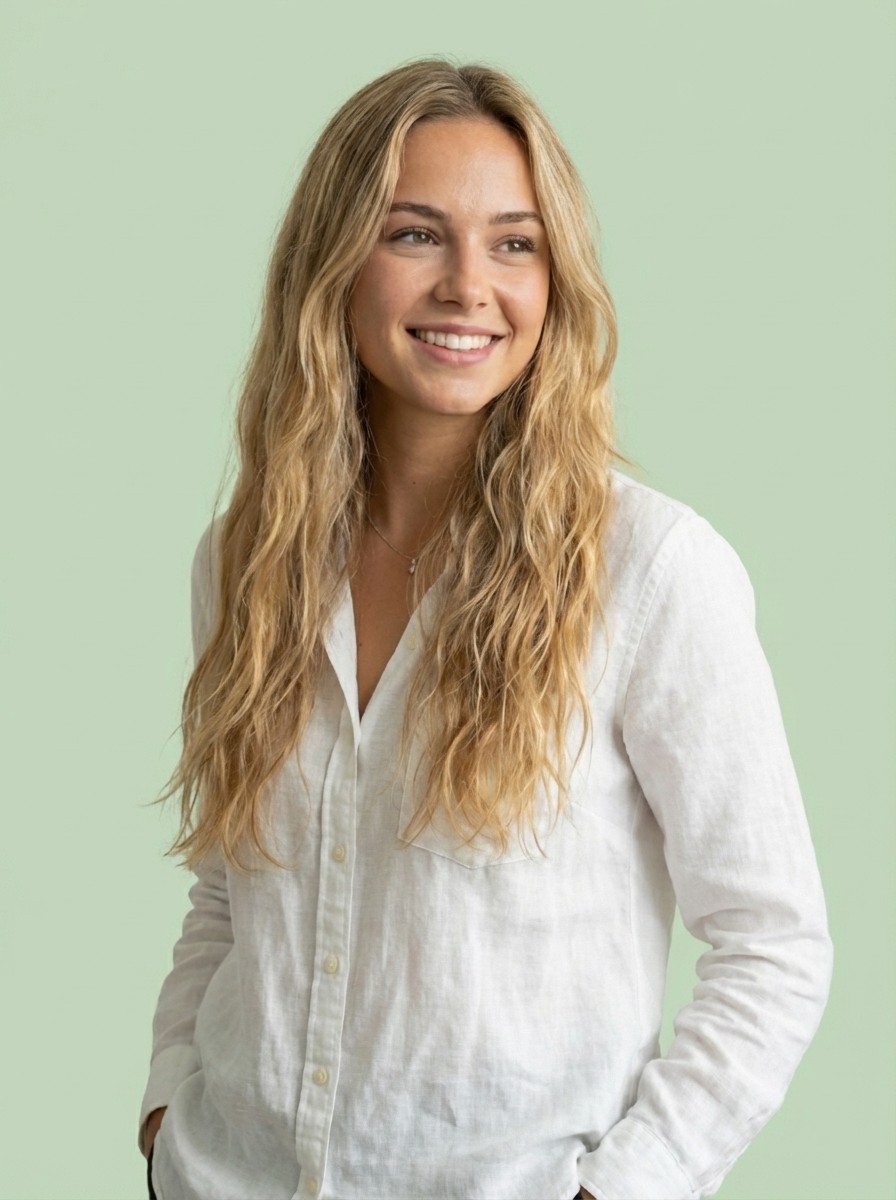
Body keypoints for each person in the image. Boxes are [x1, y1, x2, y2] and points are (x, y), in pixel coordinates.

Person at [138, 58, 833, 1200]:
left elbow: (773, 945)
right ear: (333, 263)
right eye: (414, 233)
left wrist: (622, 1188)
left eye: (513, 243)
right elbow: (235, 884)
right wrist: (167, 1103)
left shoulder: (650, 573)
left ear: (554, 280)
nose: (470, 284)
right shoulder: (244, 558)